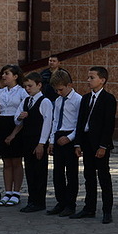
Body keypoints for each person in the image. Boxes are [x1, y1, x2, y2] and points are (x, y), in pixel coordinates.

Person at [72, 66, 117, 224]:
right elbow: (80, 122)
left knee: (104, 177)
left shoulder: (108, 99)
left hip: (99, 144)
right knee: (89, 176)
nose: (88, 80)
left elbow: (109, 124)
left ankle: (107, 210)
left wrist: (103, 146)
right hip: (86, 142)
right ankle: (89, 208)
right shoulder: (85, 98)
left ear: (102, 80)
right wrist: (77, 143)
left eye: (92, 77)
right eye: (88, 77)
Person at [0, 64, 29, 207]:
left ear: (15, 76)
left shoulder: (22, 92)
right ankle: (8, 192)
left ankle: (16, 192)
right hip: (2, 126)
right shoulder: (1, 92)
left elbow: (24, 114)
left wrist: (13, 134)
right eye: (3, 73)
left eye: (7, 73)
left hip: (16, 125)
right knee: (6, 161)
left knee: (16, 161)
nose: (4, 76)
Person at [47, 70, 82, 217]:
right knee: (58, 173)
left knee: (71, 173)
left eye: (61, 89)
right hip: (58, 135)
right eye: (56, 90)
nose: (58, 92)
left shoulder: (78, 100)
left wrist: (71, 138)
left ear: (69, 85)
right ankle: (60, 201)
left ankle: (70, 204)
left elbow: (80, 123)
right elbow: (55, 121)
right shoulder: (58, 101)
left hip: (70, 137)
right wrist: (51, 141)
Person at [19, 73, 54, 213]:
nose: (27, 89)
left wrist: (41, 143)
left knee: (39, 171)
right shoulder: (26, 101)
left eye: (30, 86)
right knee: (30, 170)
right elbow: (17, 117)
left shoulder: (45, 102)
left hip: (38, 140)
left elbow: (47, 122)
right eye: (25, 86)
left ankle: (39, 201)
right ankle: (32, 199)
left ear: (39, 85)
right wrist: (20, 116)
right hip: (27, 139)